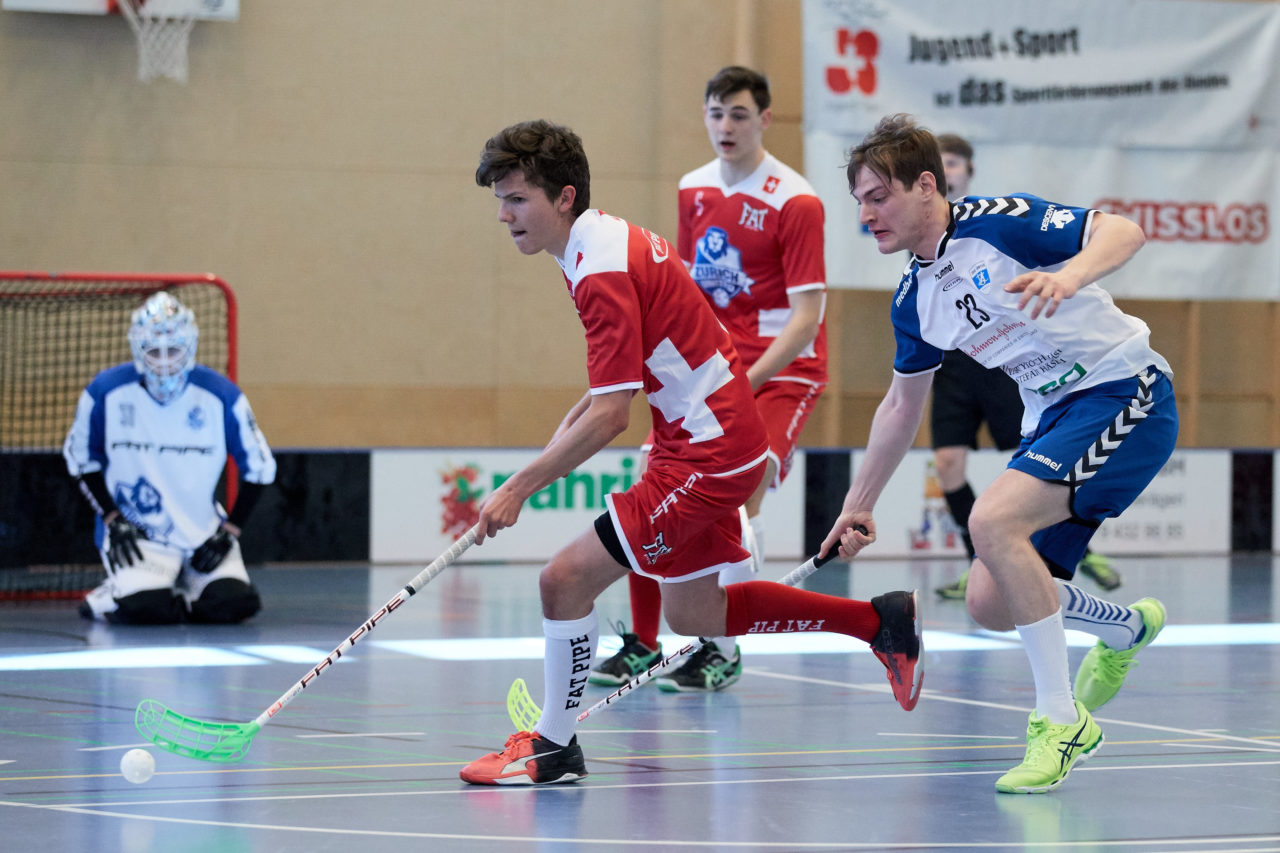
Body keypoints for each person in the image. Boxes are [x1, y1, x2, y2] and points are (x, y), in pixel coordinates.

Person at [460, 119, 922, 786]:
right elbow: (606, 392)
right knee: (694, 613)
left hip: (707, 453)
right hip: (707, 439)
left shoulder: (598, 271)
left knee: (563, 580)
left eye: (516, 199)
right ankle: (878, 621)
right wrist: (560, 436)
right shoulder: (596, 243)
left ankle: (554, 744)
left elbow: (612, 417)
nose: (504, 216)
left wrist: (517, 488)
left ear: (563, 197)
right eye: (499, 201)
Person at [822, 114, 1177, 794]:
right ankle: (1129, 628)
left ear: (927, 185)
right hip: (1054, 419)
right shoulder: (915, 299)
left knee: (991, 521)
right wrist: (856, 503)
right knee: (989, 598)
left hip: (1125, 392)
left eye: (879, 196)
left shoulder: (999, 223)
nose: (867, 214)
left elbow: (1123, 229)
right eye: (859, 201)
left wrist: (1070, 275)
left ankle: (1059, 720)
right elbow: (901, 405)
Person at [589, 66, 828, 693]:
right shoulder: (693, 188)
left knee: (735, 497)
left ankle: (721, 649)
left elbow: (807, 321)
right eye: (716, 113)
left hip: (782, 371)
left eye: (740, 114)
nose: (726, 126)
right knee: (653, 489)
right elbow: (691, 289)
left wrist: (741, 383)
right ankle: (643, 644)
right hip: (715, 366)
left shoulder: (795, 199)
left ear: (765, 120)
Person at [929, 133, 1122, 600]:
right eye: (941, 164)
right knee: (948, 463)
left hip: (1004, 360)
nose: (947, 172)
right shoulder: (918, 248)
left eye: (954, 163)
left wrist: (1067, 277)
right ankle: (978, 562)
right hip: (955, 363)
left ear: (967, 173)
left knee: (1030, 461)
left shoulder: (990, 221)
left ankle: (1061, 543)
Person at [63, 291, 276, 625]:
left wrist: (229, 532)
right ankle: (110, 595)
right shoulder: (106, 391)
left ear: (189, 347)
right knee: (147, 610)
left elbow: (261, 468)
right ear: (137, 349)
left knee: (235, 605)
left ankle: (187, 587)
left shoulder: (221, 396)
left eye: (173, 351)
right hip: (138, 536)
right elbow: (80, 460)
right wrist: (111, 518)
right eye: (153, 351)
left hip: (203, 537)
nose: (163, 362)